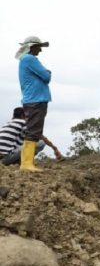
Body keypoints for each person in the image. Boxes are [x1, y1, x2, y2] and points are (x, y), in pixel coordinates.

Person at [16, 35, 53, 171]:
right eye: (39, 47)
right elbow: (46, 76)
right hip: (35, 100)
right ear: (32, 47)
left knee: (34, 130)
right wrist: (48, 71)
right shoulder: (29, 59)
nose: (40, 50)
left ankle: (27, 163)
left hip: (33, 99)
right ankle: (26, 164)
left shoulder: (25, 60)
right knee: (33, 131)